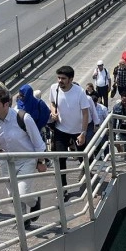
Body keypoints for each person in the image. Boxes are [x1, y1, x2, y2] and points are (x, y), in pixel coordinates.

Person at [0, 88, 47, 230]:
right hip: (5, 161)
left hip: (26, 159)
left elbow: (38, 143)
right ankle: (23, 220)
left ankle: (35, 203)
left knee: (22, 193)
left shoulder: (23, 118)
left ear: (6, 105)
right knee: (12, 194)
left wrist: (41, 161)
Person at [48, 66, 92, 195]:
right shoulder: (54, 88)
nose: (60, 81)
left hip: (78, 131)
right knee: (60, 158)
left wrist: (83, 133)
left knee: (83, 156)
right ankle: (62, 189)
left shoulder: (79, 92)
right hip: (61, 130)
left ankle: (87, 172)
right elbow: (52, 102)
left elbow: (85, 113)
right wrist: (53, 111)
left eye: (63, 78)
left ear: (71, 79)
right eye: (59, 78)